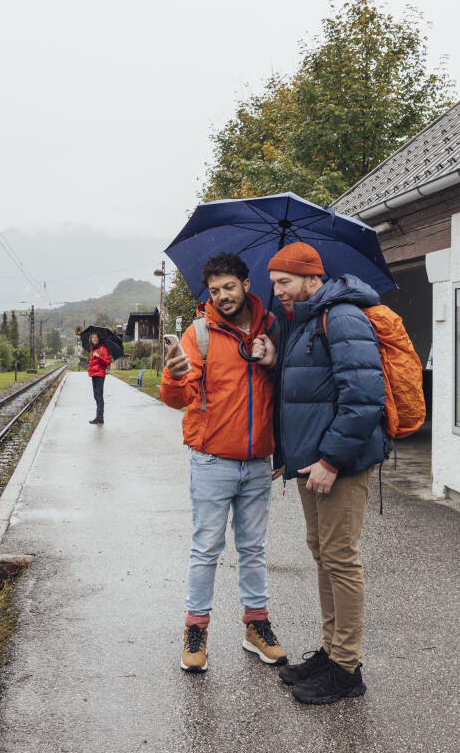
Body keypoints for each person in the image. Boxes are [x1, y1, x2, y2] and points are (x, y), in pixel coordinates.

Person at [267, 241, 387, 705]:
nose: (277, 291)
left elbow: (362, 398)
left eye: (284, 282)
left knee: (339, 556)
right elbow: (306, 392)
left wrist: (331, 460)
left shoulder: (341, 317)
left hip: (339, 464)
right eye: (274, 283)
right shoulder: (304, 321)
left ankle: (347, 668)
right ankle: (331, 650)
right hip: (310, 462)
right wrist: (272, 360)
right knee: (322, 552)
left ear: (311, 278)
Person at [160, 251, 285, 673]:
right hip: (212, 460)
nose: (222, 296)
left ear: (247, 285)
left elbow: (295, 386)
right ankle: (196, 632)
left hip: (257, 463)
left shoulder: (273, 328)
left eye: (228, 287)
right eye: (214, 290)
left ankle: (257, 627)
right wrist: (175, 374)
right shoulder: (200, 333)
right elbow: (179, 397)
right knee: (206, 549)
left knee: (253, 549)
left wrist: (275, 360)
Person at [87, 332, 110, 424]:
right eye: (92, 337)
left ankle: (99, 417)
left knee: (99, 396)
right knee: (96, 396)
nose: (94, 339)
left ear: (98, 338)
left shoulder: (102, 348)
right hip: (94, 375)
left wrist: (99, 357)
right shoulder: (93, 349)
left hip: (100, 375)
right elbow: (92, 363)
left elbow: (107, 362)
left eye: (96, 337)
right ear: (91, 339)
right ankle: (99, 417)